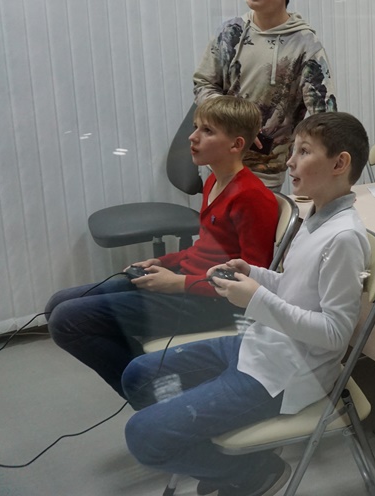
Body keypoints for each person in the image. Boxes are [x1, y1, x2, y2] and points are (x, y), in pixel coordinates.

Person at [121, 112, 372, 496]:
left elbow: (336, 333)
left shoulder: (344, 238)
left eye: (304, 152)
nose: (290, 161)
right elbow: (297, 290)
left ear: (340, 163)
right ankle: (228, 457)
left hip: (285, 376)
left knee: (142, 436)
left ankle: (250, 473)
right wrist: (254, 274)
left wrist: (256, 298)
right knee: (137, 375)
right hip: (259, 345)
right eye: (293, 150)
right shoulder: (315, 217)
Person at [45, 96, 278, 397]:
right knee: (57, 304)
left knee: (67, 320)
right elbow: (207, 248)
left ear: (236, 145)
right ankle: (156, 379)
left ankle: (153, 394)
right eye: (196, 127)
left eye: (207, 131)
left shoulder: (251, 197)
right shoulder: (213, 182)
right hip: (188, 283)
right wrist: (165, 262)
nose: (192, 137)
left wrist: (179, 283)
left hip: (213, 303)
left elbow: (250, 281)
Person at [194, 0, 339, 191]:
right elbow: (204, 83)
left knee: (256, 217)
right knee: (216, 216)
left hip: (265, 169)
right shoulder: (230, 32)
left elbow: (323, 115)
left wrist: (313, 169)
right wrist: (234, 121)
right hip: (219, 159)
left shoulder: (306, 45)